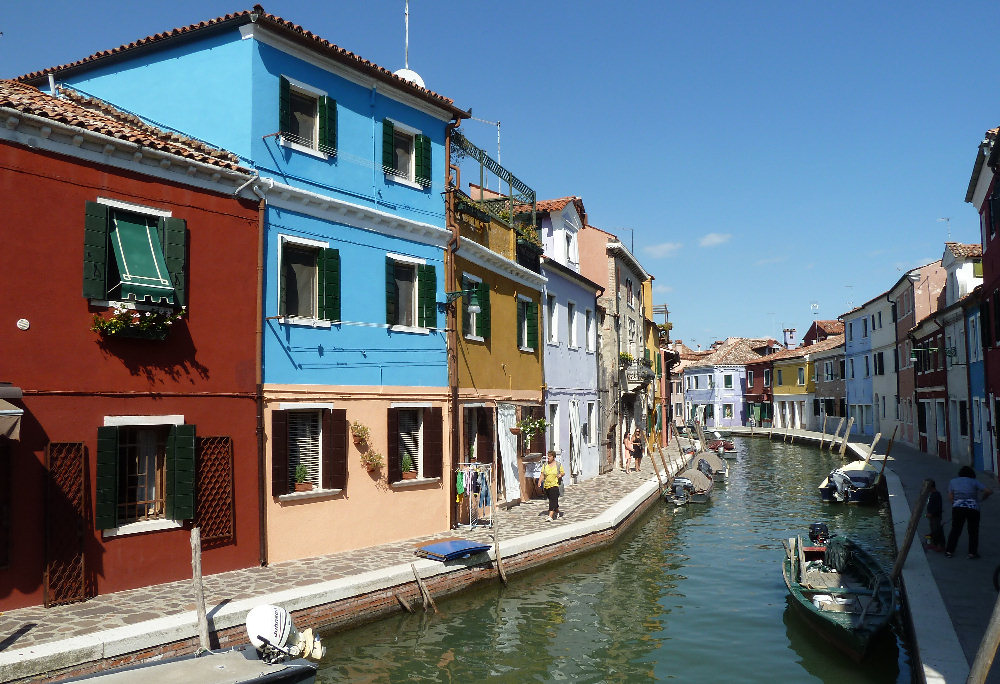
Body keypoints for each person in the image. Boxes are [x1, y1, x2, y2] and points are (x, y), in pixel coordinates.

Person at [945, 465, 993, 559]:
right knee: (973, 531)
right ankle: (972, 553)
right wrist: (982, 499)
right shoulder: (974, 481)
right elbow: (988, 491)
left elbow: (950, 496)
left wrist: (955, 504)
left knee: (955, 530)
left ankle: (949, 551)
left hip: (958, 508)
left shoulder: (953, 481)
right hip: (973, 508)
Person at [537, 451, 565, 522]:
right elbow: (542, 474)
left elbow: (562, 472)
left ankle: (550, 516)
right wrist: (539, 481)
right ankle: (557, 511)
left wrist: (560, 475)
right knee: (552, 500)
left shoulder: (558, 465)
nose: (548, 458)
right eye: (547, 456)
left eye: (549, 456)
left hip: (555, 485)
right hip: (547, 485)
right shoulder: (545, 465)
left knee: (552, 500)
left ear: (553, 457)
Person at [924, 479, 945, 552]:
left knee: (937, 531)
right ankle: (935, 543)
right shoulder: (933, 494)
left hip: (935, 516)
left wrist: (931, 513)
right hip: (932, 516)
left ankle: (940, 545)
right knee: (933, 530)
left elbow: (937, 506)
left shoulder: (936, 495)